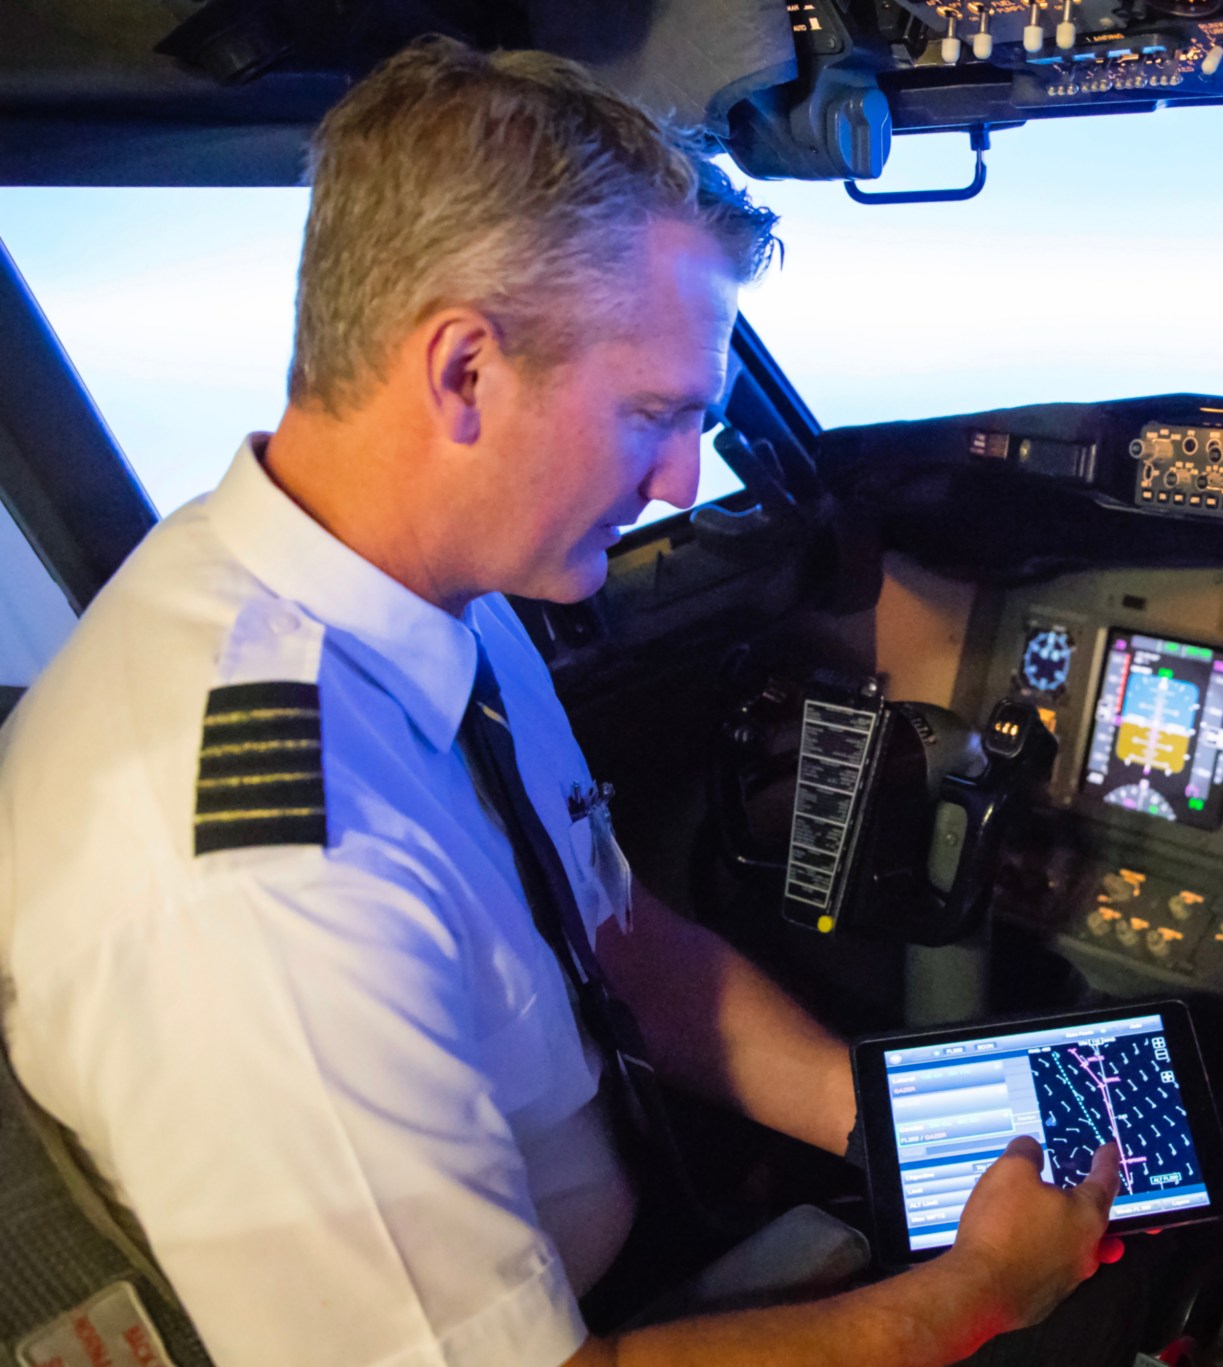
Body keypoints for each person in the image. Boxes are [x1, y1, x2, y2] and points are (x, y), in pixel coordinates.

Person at [0, 39, 1120, 1367]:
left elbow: (615, 940)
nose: (676, 484)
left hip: (616, 1250)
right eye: (653, 414)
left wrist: (900, 1127)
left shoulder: (412, 594)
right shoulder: (261, 891)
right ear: (464, 372)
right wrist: (975, 1297)